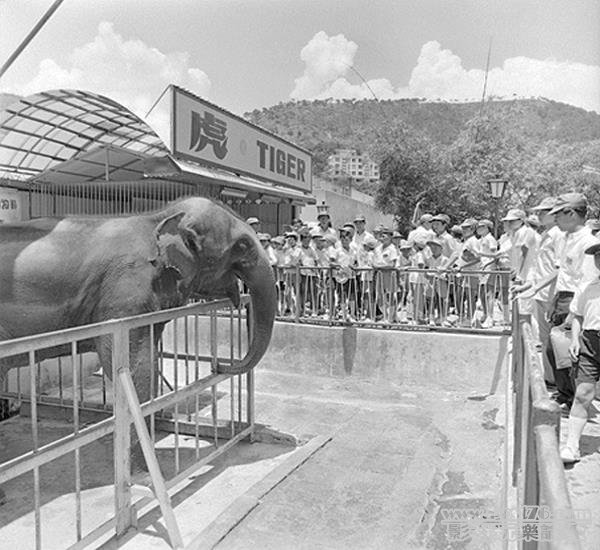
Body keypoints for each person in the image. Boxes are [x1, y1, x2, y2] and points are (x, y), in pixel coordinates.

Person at [518, 193, 599, 410]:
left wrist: (574, 312)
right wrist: (534, 286)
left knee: (568, 353)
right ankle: (565, 396)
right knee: (555, 350)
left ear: (570, 213)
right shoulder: (565, 238)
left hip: (576, 301)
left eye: (558, 215)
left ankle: (574, 400)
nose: (555, 219)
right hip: (562, 297)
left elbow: (588, 282)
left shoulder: (589, 243)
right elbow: (559, 270)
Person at [561, 241, 600, 463]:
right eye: (596, 256)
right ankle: (572, 447)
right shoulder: (588, 286)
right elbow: (577, 316)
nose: (599, 259)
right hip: (590, 341)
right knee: (583, 393)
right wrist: (575, 340)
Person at [476, 219, 499, 328]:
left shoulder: (490, 239)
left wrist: (482, 254)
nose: (478, 228)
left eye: (482, 226)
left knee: (489, 292)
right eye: (478, 226)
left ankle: (490, 317)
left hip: (489, 266)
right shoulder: (481, 239)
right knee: (482, 293)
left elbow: (495, 255)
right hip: (482, 267)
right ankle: (485, 314)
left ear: (487, 227)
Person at [373, 228, 399, 322]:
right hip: (379, 275)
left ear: (391, 237)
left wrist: (380, 266)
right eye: (382, 234)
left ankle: (391, 317)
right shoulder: (377, 249)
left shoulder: (392, 249)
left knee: (391, 296)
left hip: (389, 274)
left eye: (385, 234)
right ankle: (385, 315)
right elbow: (374, 262)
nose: (382, 236)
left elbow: (392, 264)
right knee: (380, 296)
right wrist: (378, 266)